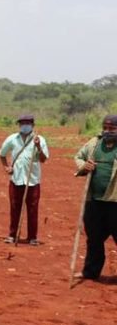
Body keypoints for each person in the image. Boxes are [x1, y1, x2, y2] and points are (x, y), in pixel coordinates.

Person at [74, 114, 117, 281]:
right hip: (94, 200)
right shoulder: (94, 144)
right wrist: (84, 166)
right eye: (105, 128)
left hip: (114, 201)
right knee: (94, 237)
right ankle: (91, 272)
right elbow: (79, 156)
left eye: (112, 129)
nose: (107, 131)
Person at [0, 114, 49, 245]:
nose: (25, 126)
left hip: (33, 181)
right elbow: (2, 154)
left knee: (33, 209)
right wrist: (6, 167)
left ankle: (32, 237)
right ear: (19, 125)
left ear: (32, 125)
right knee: (15, 208)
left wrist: (38, 147)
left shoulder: (40, 140)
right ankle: (12, 235)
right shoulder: (12, 139)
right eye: (22, 123)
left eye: (27, 123)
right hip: (16, 179)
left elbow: (43, 159)